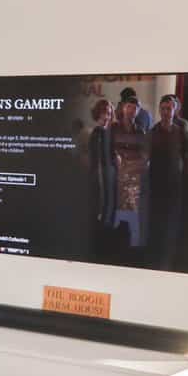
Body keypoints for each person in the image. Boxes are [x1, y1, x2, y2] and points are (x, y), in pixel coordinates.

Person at [148, 94, 188, 269]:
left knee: (172, 220)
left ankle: (169, 257)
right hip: (157, 183)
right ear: (160, 110)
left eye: (169, 108)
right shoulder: (153, 132)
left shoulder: (181, 132)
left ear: (175, 110)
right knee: (157, 220)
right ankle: (155, 256)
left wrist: (187, 175)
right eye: (163, 108)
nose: (166, 112)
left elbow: (187, 154)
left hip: (175, 183)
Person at [112, 97, 150, 252]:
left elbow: (145, 156)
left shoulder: (141, 131)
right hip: (116, 176)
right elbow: (109, 150)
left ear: (138, 111)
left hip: (133, 177)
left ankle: (132, 250)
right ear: (123, 109)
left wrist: (131, 167)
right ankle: (114, 246)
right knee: (117, 212)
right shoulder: (114, 128)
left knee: (133, 214)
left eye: (135, 108)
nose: (131, 111)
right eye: (129, 107)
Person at [87, 98, 119, 259]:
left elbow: (113, 156)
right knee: (101, 210)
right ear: (98, 114)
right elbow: (96, 161)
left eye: (108, 113)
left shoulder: (109, 132)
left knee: (110, 210)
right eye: (103, 113)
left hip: (111, 175)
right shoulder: (96, 133)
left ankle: (106, 248)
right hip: (101, 177)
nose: (106, 116)